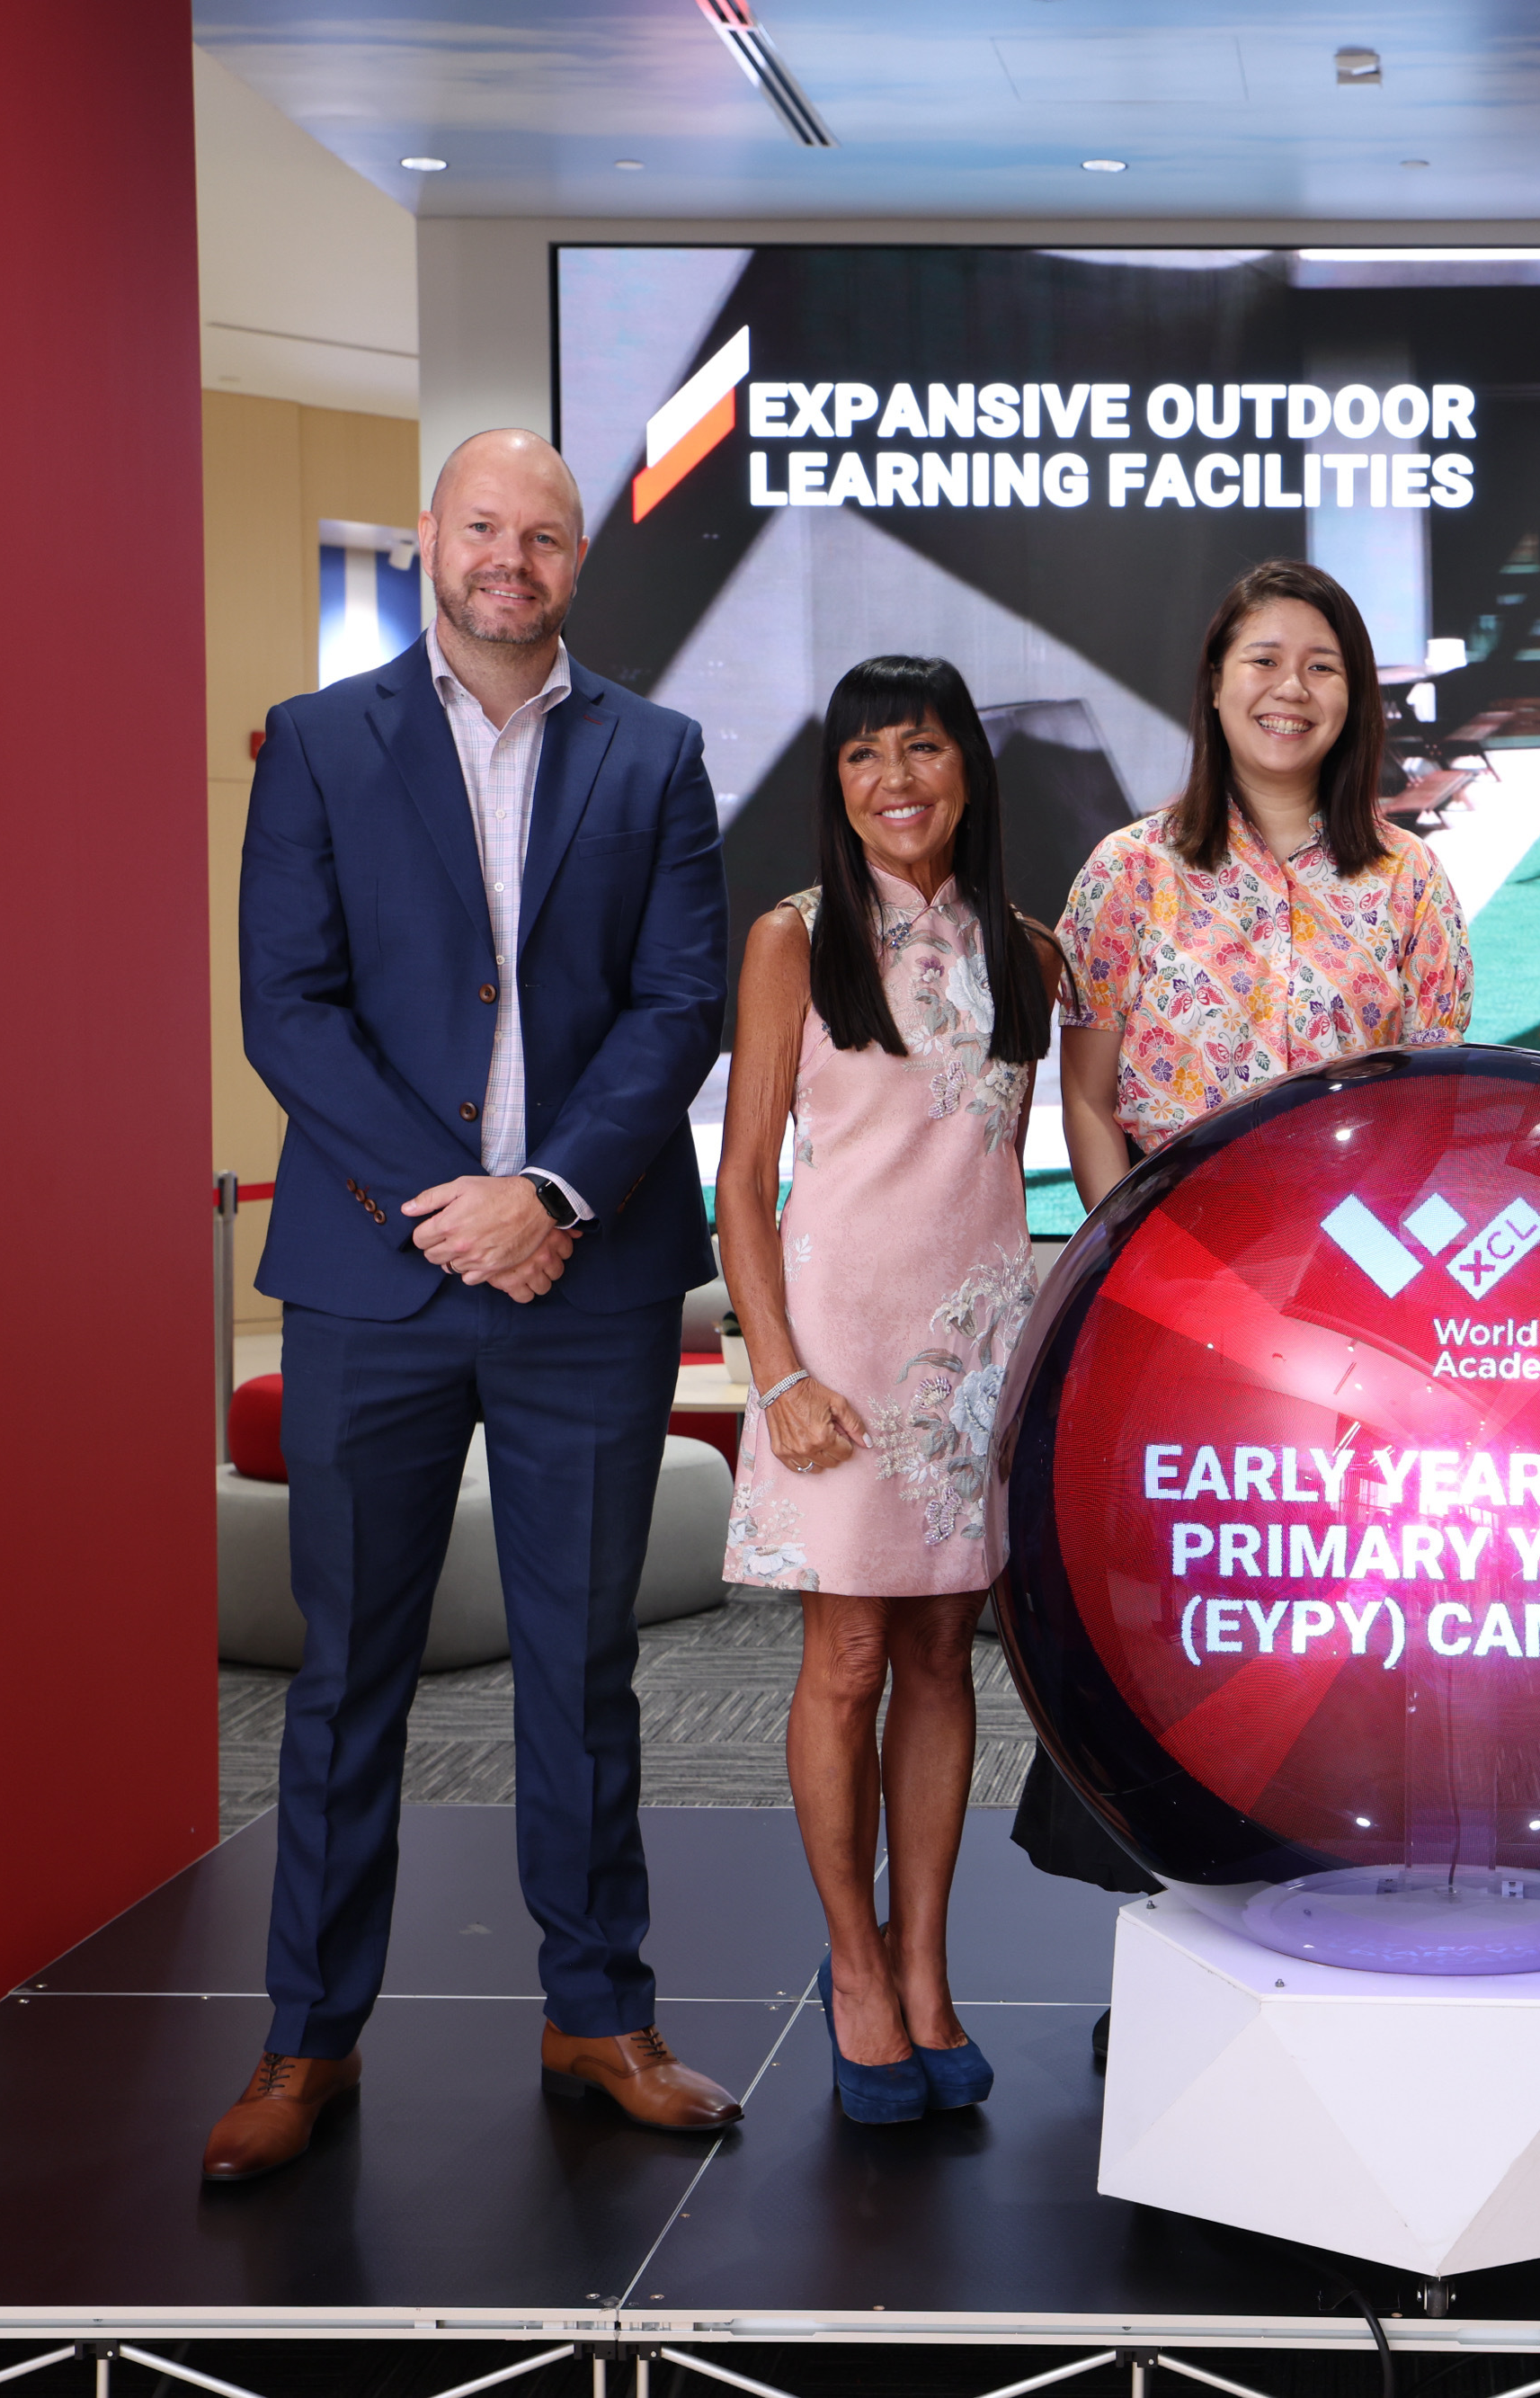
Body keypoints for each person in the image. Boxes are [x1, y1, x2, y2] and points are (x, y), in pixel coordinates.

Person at [214, 430, 741, 2180]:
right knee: (347, 1670)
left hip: (588, 1275)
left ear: (580, 560)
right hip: (376, 1271)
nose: (511, 557)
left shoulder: (656, 753)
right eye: (484, 527)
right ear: (432, 540)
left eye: (546, 535)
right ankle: (308, 2038)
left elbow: (677, 1007)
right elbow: (286, 1010)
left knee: (581, 1666)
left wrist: (551, 1195)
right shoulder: (315, 744)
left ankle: (598, 2008)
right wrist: (451, 1211)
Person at [1019, 558, 1477, 2040]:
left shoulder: (1408, 883)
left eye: (1324, 666)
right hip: (1174, 1318)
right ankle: (1180, 1965)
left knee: (1339, 1645)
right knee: (1180, 1628)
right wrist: (1136, 1274)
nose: (1293, 690)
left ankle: (1335, 1931)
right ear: (1215, 684)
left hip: (1357, 1337)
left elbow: (1436, 1119)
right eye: (1265, 661)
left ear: (1356, 700)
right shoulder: (1127, 873)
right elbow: (1088, 1098)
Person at [717, 658, 1064, 2122]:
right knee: (844, 1666)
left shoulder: (1034, 952)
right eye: (862, 758)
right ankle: (852, 1972)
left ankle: (925, 1970)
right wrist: (777, 1369)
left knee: (938, 1666)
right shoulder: (794, 940)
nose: (892, 779)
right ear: (835, 786)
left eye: (919, 748)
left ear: (965, 769)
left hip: (975, 1361)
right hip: (837, 1372)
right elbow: (742, 1182)